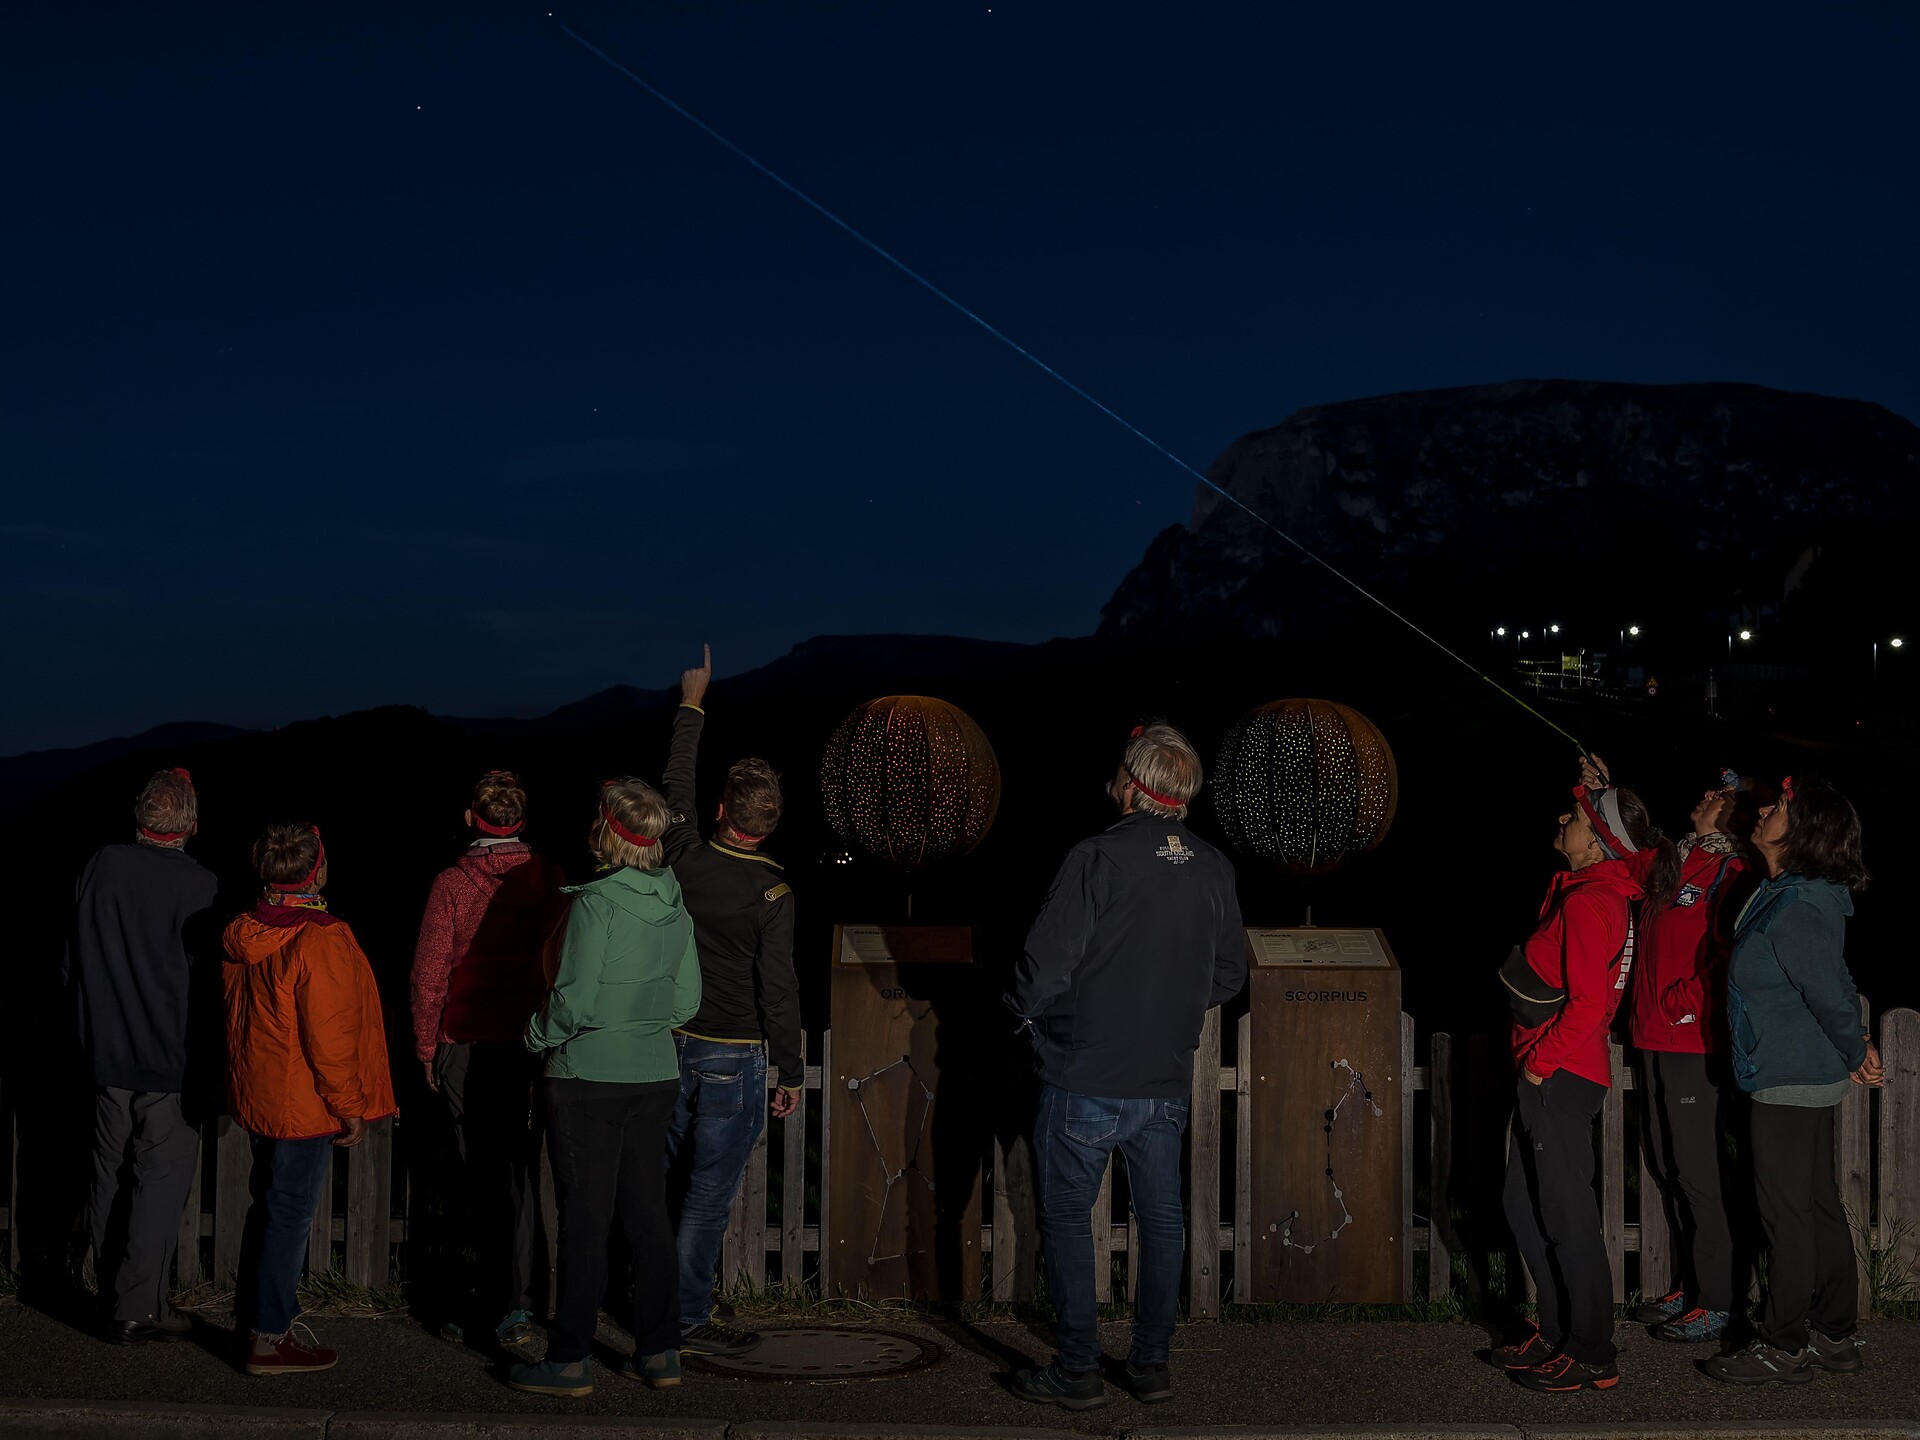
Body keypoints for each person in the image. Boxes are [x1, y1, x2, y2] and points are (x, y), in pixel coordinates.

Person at [1004, 723, 1246, 1410]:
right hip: (1163, 1077)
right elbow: (1229, 972)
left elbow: (1045, 964)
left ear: (1132, 785)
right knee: (1162, 1219)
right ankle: (1150, 1365)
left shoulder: (1095, 858)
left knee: (1069, 1217)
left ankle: (1078, 1368)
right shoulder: (1211, 866)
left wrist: (1020, 1008)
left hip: (1083, 1071)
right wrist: (1170, 1005)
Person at [509, 778, 702, 1398]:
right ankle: (660, 1351)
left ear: (605, 832)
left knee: (585, 1223)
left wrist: (536, 1037)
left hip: (588, 1079)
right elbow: (689, 999)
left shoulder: (594, 903)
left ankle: (568, 1360)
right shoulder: (675, 903)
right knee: (648, 1216)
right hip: (654, 1077)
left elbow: (572, 1002)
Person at [1494, 761, 1679, 1393]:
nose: (1562, 822)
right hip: (1563, 1072)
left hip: (1560, 1075)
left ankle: (1593, 1348)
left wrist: (1540, 1066)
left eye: (1573, 819)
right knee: (1522, 1204)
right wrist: (1594, 781)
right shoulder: (1603, 891)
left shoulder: (1591, 902)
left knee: (1565, 1213)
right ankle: (1555, 1329)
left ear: (1597, 842)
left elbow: (1589, 1005)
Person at [1705, 774, 1879, 1386]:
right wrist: (1853, 1047)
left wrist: (1855, 1046)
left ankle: (1785, 1342)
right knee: (1816, 1206)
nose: (1765, 809)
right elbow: (1833, 979)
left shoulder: (1801, 906)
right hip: (1794, 1070)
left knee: (1788, 1215)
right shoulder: (1786, 892)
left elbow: (1831, 993)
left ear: (1802, 832)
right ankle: (1835, 1335)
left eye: (1778, 807)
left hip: (1789, 1076)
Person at [660, 647, 800, 1357]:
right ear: (768, 825)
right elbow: (778, 988)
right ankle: (684, 1320)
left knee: (664, 1186)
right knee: (706, 1197)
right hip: (734, 1053)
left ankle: (659, 1308)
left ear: (722, 812)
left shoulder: (682, 852)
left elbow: (673, 782)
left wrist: (693, 704)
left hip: (667, 1044)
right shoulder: (773, 891)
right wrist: (793, 1070)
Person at [223, 823, 397, 1376]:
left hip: (263, 1094)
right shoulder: (321, 938)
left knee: (270, 1205)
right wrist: (350, 1105)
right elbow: (331, 1033)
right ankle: (271, 1336)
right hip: (305, 1104)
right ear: (317, 870)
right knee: (290, 1213)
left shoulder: (246, 930)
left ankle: (254, 1322)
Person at [409, 770, 565, 1355]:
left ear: (473, 818)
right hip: (527, 1038)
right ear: (520, 821)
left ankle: (474, 1297)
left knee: (472, 1173)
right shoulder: (547, 876)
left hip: (467, 1038)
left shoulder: (452, 883)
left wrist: (426, 1046)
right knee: (517, 1172)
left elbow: (430, 973)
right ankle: (516, 1302)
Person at [68, 767, 218, 1344]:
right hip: (169, 1058)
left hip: (105, 1050)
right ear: (191, 825)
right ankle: (137, 1307)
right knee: (158, 1180)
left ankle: (110, 1298)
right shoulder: (202, 886)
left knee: (107, 1173)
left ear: (140, 818)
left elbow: (71, 956)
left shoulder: (100, 866)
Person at [1627, 771, 1766, 1344]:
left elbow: (1735, 955)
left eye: (1721, 796)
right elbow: (1619, 843)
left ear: (1734, 818)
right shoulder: (1675, 861)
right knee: (1666, 1164)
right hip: (1649, 1035)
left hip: (1688, 1040)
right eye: (1709, 789)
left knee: (1699, 1170)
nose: (1707, 795)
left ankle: (1721, 1299)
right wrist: (1595, 789)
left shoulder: (1731, 874)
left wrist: (1682, 1004)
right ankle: (1692, 1285)